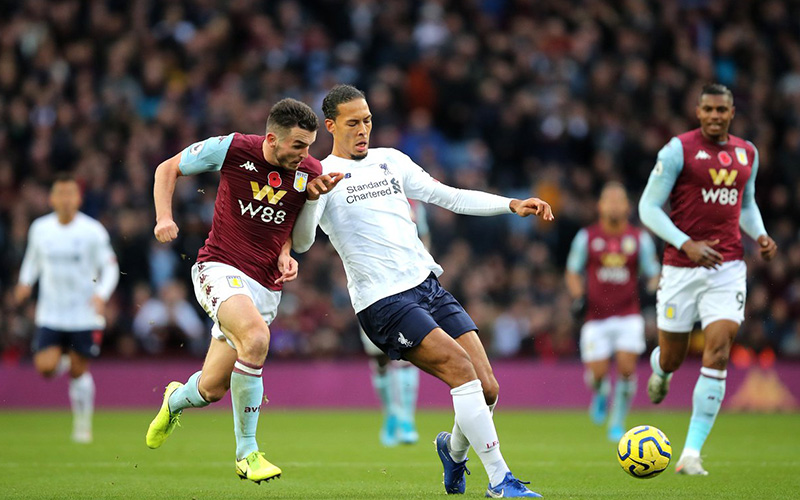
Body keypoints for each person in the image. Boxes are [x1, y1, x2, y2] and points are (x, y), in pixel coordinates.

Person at [292, 84, 553, 498]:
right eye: (353, 123)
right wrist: (309, 200)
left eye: (368, 120)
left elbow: (446, 195)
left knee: (487, 388)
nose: (364, 130)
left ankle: (453, 452)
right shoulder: (321, 177)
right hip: (383, 301)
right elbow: (302, 243)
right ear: (330, 126)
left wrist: (510, 204)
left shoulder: (390, 161)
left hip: (427, 286)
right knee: (461, 371)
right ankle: (501, 481)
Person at [145, 98, 321, 484]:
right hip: (220, 267)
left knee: (211, 388)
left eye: (309, 146)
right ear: (272, 138)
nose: (305, 154)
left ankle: (174, 399)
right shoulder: (233, 148)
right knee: (257, 338)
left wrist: (287, 252)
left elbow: (290, 227)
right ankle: (248, 453)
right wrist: (163, 217)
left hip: (265, 287)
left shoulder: (309, 171)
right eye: (298, 146)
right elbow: (167, 168)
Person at [639, 83, 777, 475]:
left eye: (722, 110)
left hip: (728, 268)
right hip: (681, 269)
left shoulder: (747, 152)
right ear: (698, 112)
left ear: (732, 112)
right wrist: (687, 244)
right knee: (672, 356)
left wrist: (760, 234)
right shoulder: (678, 150)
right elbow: (648, 207)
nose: (715, 116)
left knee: (718, 352)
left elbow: (745, 204)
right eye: (709, 109)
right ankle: (661, 372)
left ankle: (691, 454)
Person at [14, 174, 119, 443]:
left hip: (83, 313)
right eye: (60, 194)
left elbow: (110, 267)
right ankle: (62, 357)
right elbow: (32, 260)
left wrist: (101, 294)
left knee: (78, 371)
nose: (65, 199)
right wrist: (25, 283)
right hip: (51, 312)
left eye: (70, 194)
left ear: (78, 199)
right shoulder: (40, 228)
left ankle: (82, 426)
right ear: (51, 199)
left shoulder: (92, 231)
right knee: (46, 368)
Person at [565, 182, 660, 442]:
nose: (615, 205)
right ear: (600, 206)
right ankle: (600, 392)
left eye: (620, 200)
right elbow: (573, 270)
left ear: (628, 208)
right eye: (610, 200)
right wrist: (577, 297)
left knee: (627, 369)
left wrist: (652, 289)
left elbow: (653, 272)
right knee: (597, 375)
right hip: (595, 317)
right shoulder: (588, 237)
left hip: (628, 314)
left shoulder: (639, 239)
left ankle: (617, 422)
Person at [363, 199, 428, 447]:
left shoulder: (412, 204)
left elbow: (424, 238)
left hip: (405, 286)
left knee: (408, 352)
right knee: (378, 358)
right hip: (370, 288)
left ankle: (407, 419)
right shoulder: (364, 196)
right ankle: (390, 413)